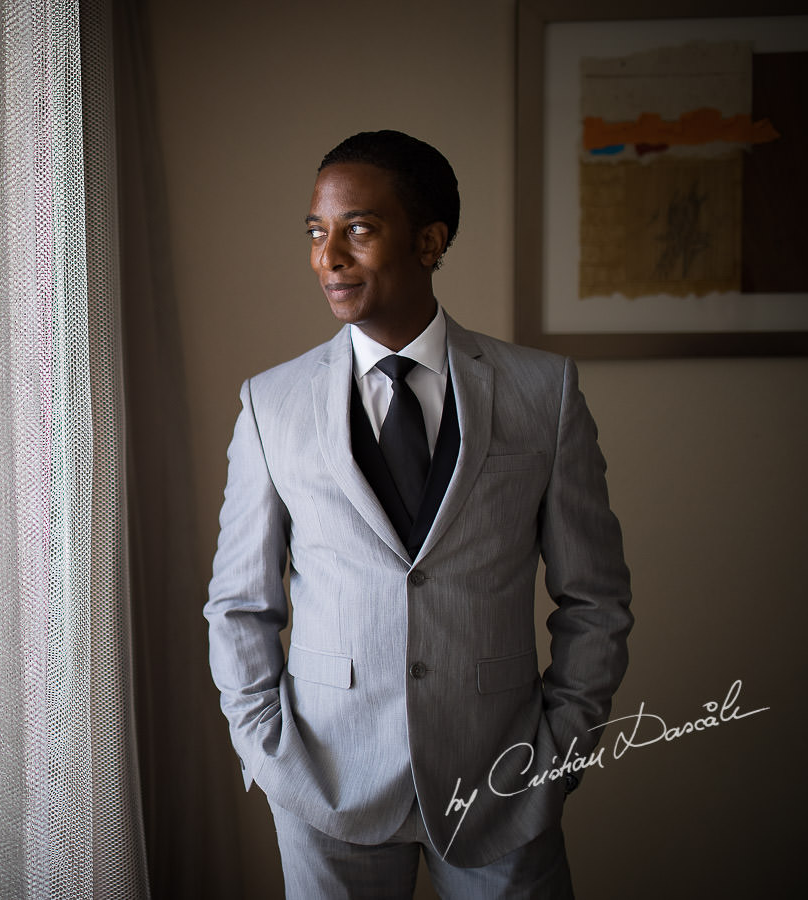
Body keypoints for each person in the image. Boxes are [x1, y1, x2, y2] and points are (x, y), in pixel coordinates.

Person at [204, 130, 633, 898]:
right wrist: (265, 751)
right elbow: (240, 602)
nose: (327, 255)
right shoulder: (271, 404)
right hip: (323, 782)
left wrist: (562, 749)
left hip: (503, 777)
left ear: (430, 241)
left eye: (358, 229)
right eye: (316, 232)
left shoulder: (544, 392)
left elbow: (595, 597)